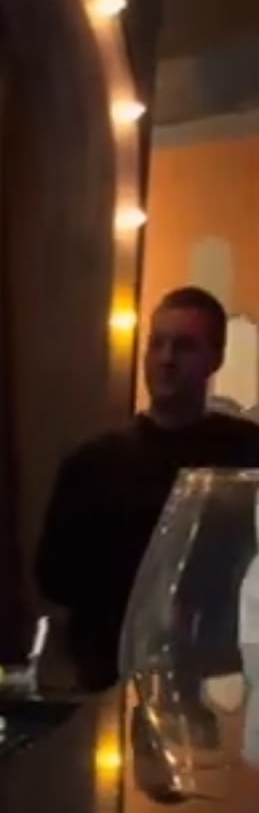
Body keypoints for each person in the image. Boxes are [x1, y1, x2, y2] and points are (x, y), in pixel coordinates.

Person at [35, 287, 259, 690]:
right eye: (158, 343)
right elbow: (55, 577)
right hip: (111, 675)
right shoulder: (93, 465)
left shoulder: (248, 454)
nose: (167, 359)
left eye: (185, 346)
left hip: (226, 679)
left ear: (216, 359)